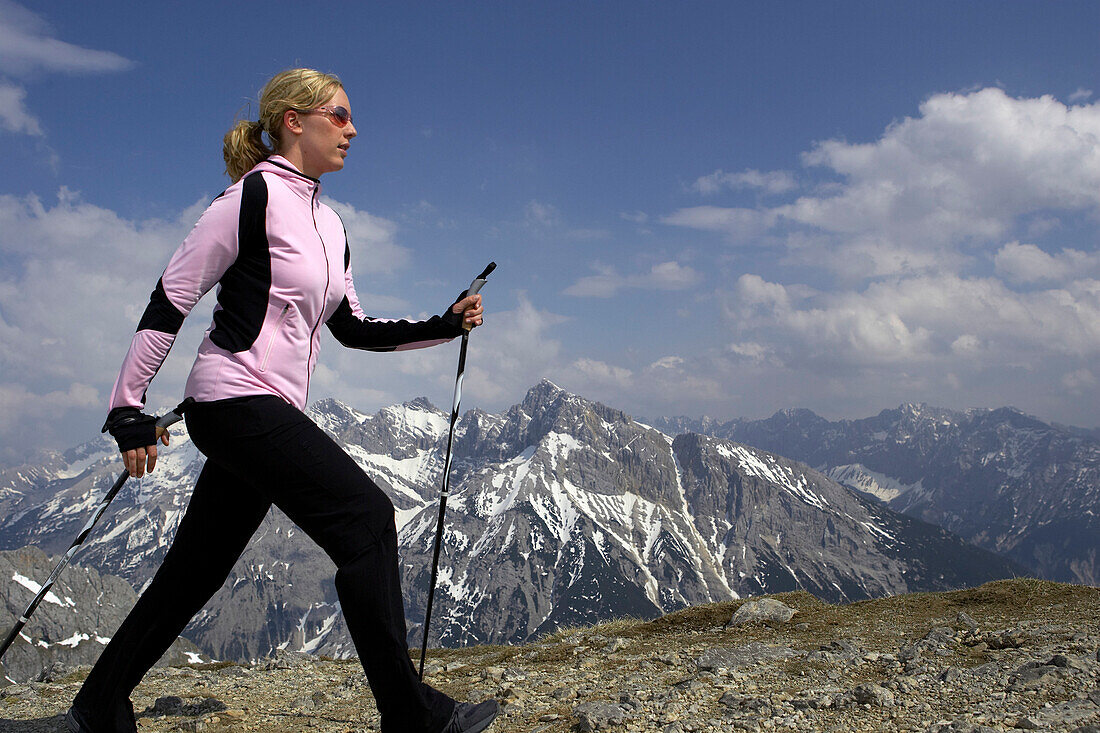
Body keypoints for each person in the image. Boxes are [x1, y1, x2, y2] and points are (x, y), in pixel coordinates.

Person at [66, 68, 499, 733]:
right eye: (341, 115)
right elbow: (171, 299)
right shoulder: (248, 199)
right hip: (231, 402)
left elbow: (352, 327)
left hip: (264, 412)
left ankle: (99, 701)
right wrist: (129, 407)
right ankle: (411, 715)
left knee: (196, 569)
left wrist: (441, 324)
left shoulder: (330, 224)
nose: (354, 129)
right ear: (294, 120)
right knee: (367, 521)